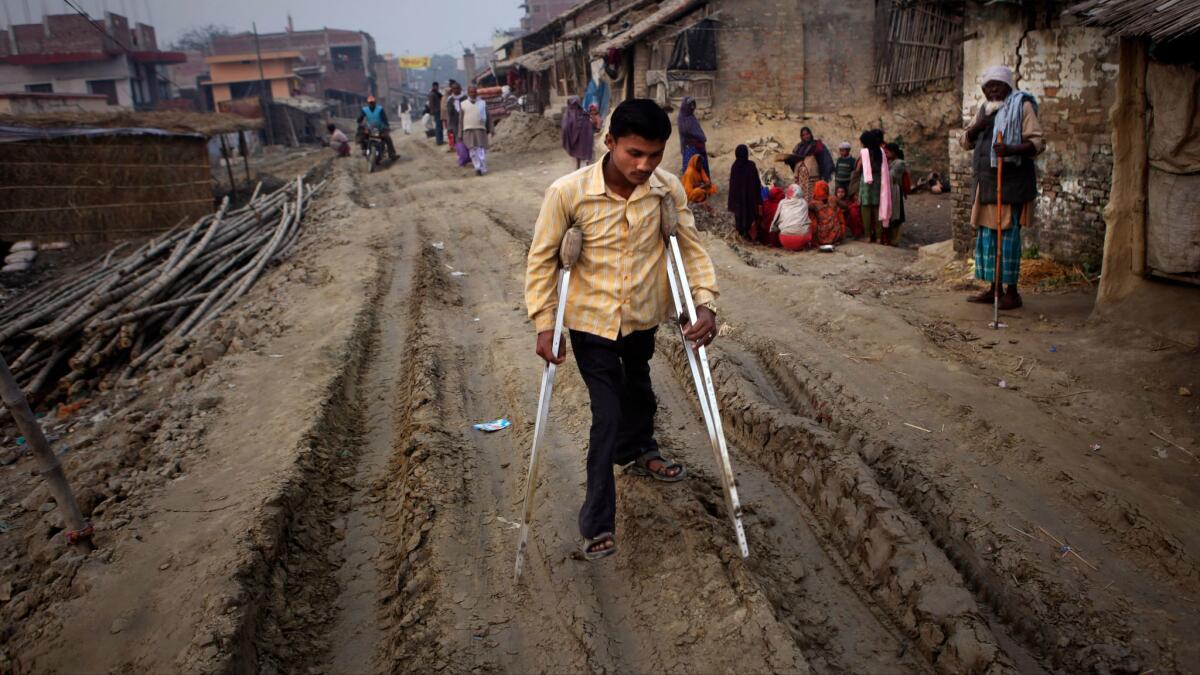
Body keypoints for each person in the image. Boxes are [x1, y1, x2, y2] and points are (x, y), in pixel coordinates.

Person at [525, 99, 719, 561]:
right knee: (607, 414)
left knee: (640, 390)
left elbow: (689, 248)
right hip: (591, 323)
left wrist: (705, 302)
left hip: (641, 316)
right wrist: (544, 322)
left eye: (654, 155)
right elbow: (541, 259)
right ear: (609, 142)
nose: (643, 165)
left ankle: (641, 449)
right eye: (634, 153)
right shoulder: (568, 193)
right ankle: (596, 521)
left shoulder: (666, 190)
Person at [960, 65, 1044, 310]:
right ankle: (993, 289)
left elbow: (1037, 143)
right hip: (986, 185)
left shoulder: (1023, 106)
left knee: (1006, 238)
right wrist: (978, 126)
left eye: (998, 85)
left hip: (1010, 185)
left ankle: (1012, 293)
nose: (993, 90)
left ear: (1008, 87)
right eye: (988, 86)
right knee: (987, 238)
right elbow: (965, 142)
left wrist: (1011, 149)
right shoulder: (984, 110)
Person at [856, 129, 890, 243]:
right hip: (878, 181)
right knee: (877, 209)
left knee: (866, 209)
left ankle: (868, 236)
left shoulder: (865, 152)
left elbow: (858, 169)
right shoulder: (880, 152)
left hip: (866, 183)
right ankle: (879, 237)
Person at [727, 144, 763, 240]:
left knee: (740, 215)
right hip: (750, 198)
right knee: (750, 216)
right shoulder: (750, 166)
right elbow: (756, 183)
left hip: (740, 199)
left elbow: (733, 187)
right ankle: (749, 236)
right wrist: (758, 200)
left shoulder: (735, 167)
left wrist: (733, 202)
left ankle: (742, 234)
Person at [770, 184, 812, 251]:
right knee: (809, 222)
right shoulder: (804, 203)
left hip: (785, 240)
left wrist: (773, 229)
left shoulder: (782, 203)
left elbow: (775, 220)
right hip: (802, 240)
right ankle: (805, 244)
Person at [356, 95, 397, 161]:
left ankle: (392, 154)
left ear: (375, 102)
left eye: (372, 102)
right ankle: (364, 149)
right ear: (368, 103)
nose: (371, 104)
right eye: (370, 102)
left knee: (388, 138)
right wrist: (359, 120)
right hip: (370, 129)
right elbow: (360, 118)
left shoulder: (380, 109)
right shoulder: (365, 110)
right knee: (361, 136)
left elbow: (384, 119)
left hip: (380, 129)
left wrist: (387, 126)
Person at [460, 86, 489, 176]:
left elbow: (488, 117)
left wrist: (491, 128)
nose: (473, 93)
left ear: (477, 92)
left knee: (481, 150)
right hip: (468, 130)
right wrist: (459, 133)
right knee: (472, 150)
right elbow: (460, 120)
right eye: (471, 92)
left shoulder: (482, 103)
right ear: (468, 93)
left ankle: (482, 167)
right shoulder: (463, 104)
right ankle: (477, 168)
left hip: (480, 130)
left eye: (474, 92)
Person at [677, 96, 708, 176]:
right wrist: (699, 137)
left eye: (693, 105)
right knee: (691, 170)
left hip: (698, 147)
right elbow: (685, 131)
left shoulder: (692, 117)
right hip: (690, 149)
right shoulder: (682, 118)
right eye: (690, 105)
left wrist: (701, 138)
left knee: (701, 168)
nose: (693, 107)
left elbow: (698, 132)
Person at [885, 143, 908, 246]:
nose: (886, 154)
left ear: (893, 152)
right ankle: (891, 238)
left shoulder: (899, 163)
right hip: (891, 190)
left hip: (895, 190)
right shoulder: (892, 162)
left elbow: (891, 176)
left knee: (897, 214)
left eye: (887, 152)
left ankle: (896, 239)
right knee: (892, 214)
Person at [562, 96, 594, 169]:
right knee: (586, 164)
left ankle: (578, 172)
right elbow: (590, 132)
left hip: (576, 146)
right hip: (584, 147)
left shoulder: (568, 115)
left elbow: (565, 128)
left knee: (576, 163)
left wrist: (570, 140)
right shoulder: (585, 115)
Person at [810, 180, 846, 246]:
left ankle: (815, 239)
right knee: (838, 209)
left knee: (810, 214)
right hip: (836, 235)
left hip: (820, 237)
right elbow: (845, 206)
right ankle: (838, 237)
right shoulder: (833, 198)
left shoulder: (813, 204)